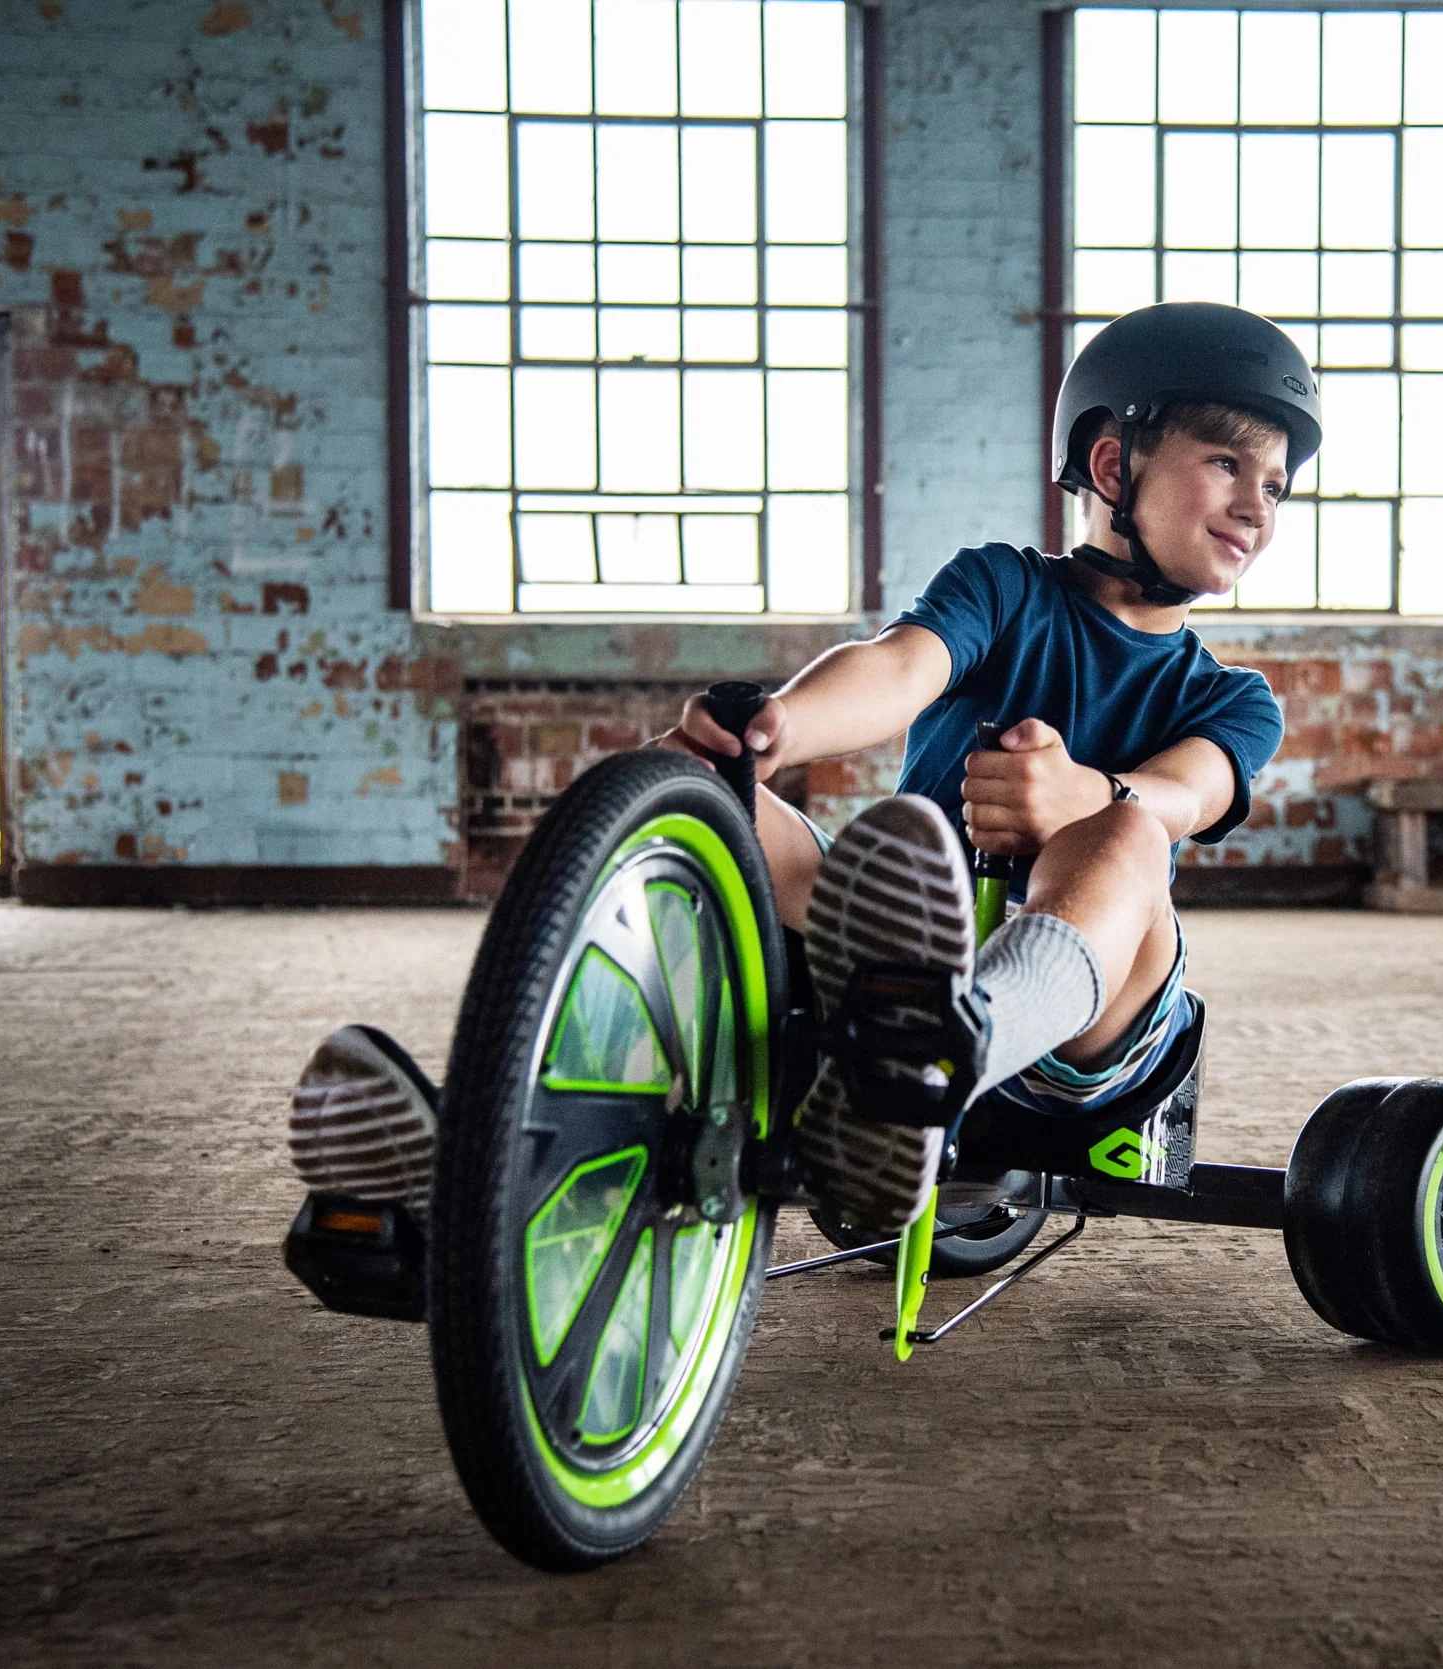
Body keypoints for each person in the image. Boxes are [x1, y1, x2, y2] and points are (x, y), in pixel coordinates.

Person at [287, 301, 1322, 1239]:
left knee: (1128, 832)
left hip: (1088, 1041)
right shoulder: (1004, 587)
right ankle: (487, 1143)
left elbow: (1187, 795)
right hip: (894, 990)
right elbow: (896, 668)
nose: (1258, 506)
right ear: (1111, 465)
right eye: (1227, 465)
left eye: (1275, 484)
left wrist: (1087, 797)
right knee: (687, 781)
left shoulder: (1234, 699)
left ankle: (942, 1061)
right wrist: (774, 726)